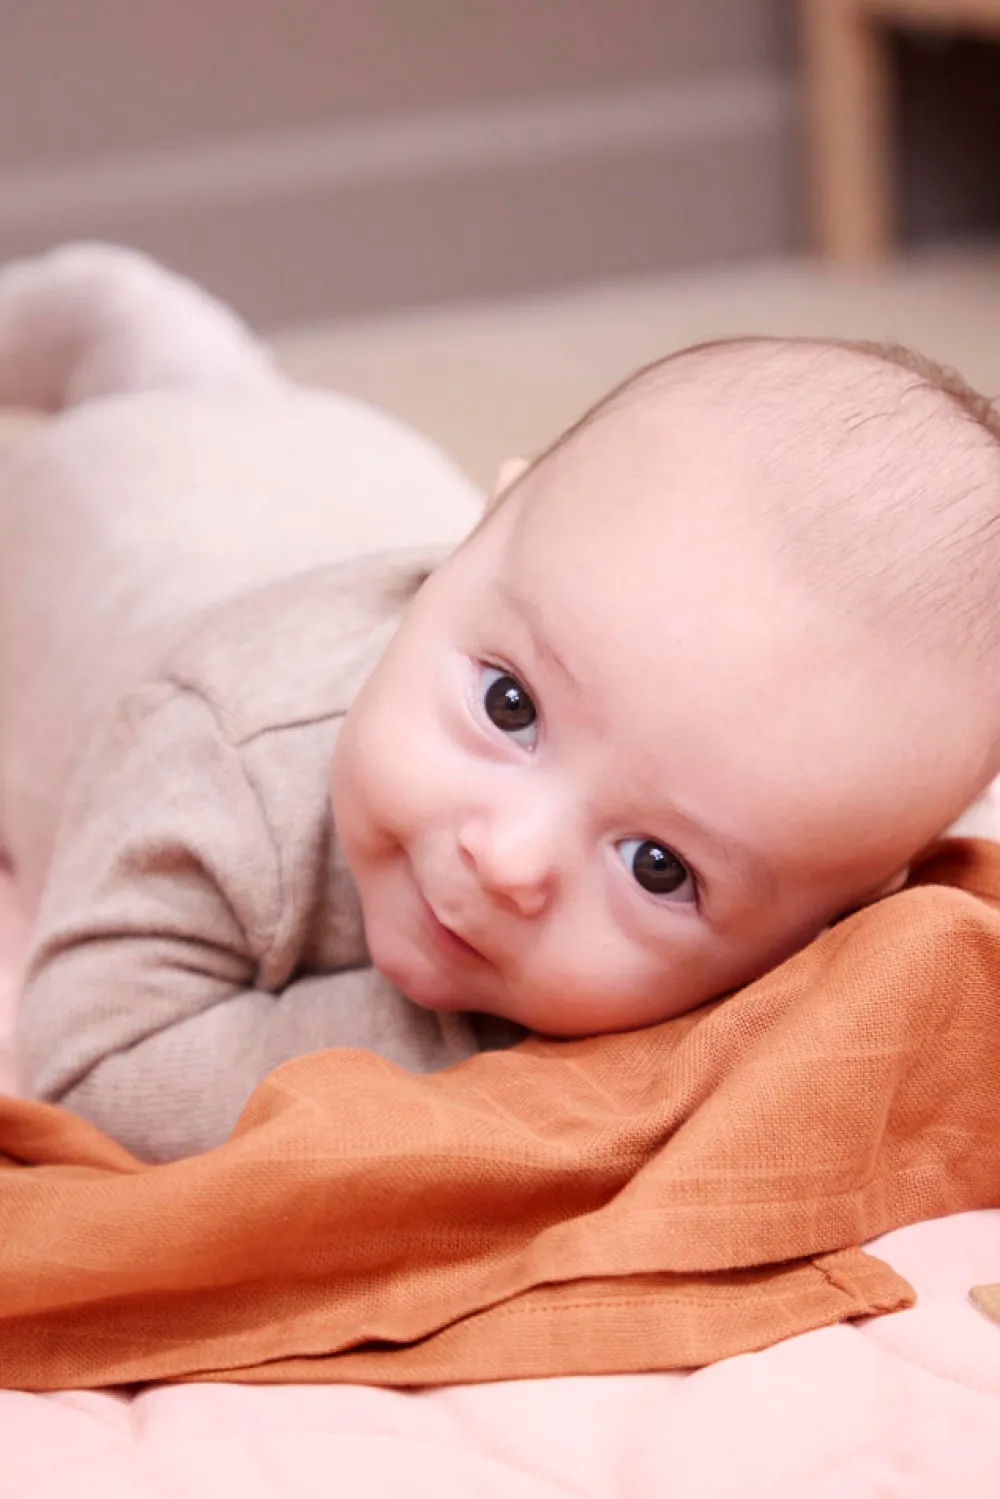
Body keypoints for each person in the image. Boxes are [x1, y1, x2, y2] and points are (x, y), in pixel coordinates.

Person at [1, 245, 996, 1161]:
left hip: (347, 498)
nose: (509, 862)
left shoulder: (789, 785)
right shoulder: (222, 749)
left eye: (657, 866)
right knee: (145, 354)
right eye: (510, 708)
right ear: (471, 539)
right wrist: (481, 1048)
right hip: (125, 503)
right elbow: (96, 1068)